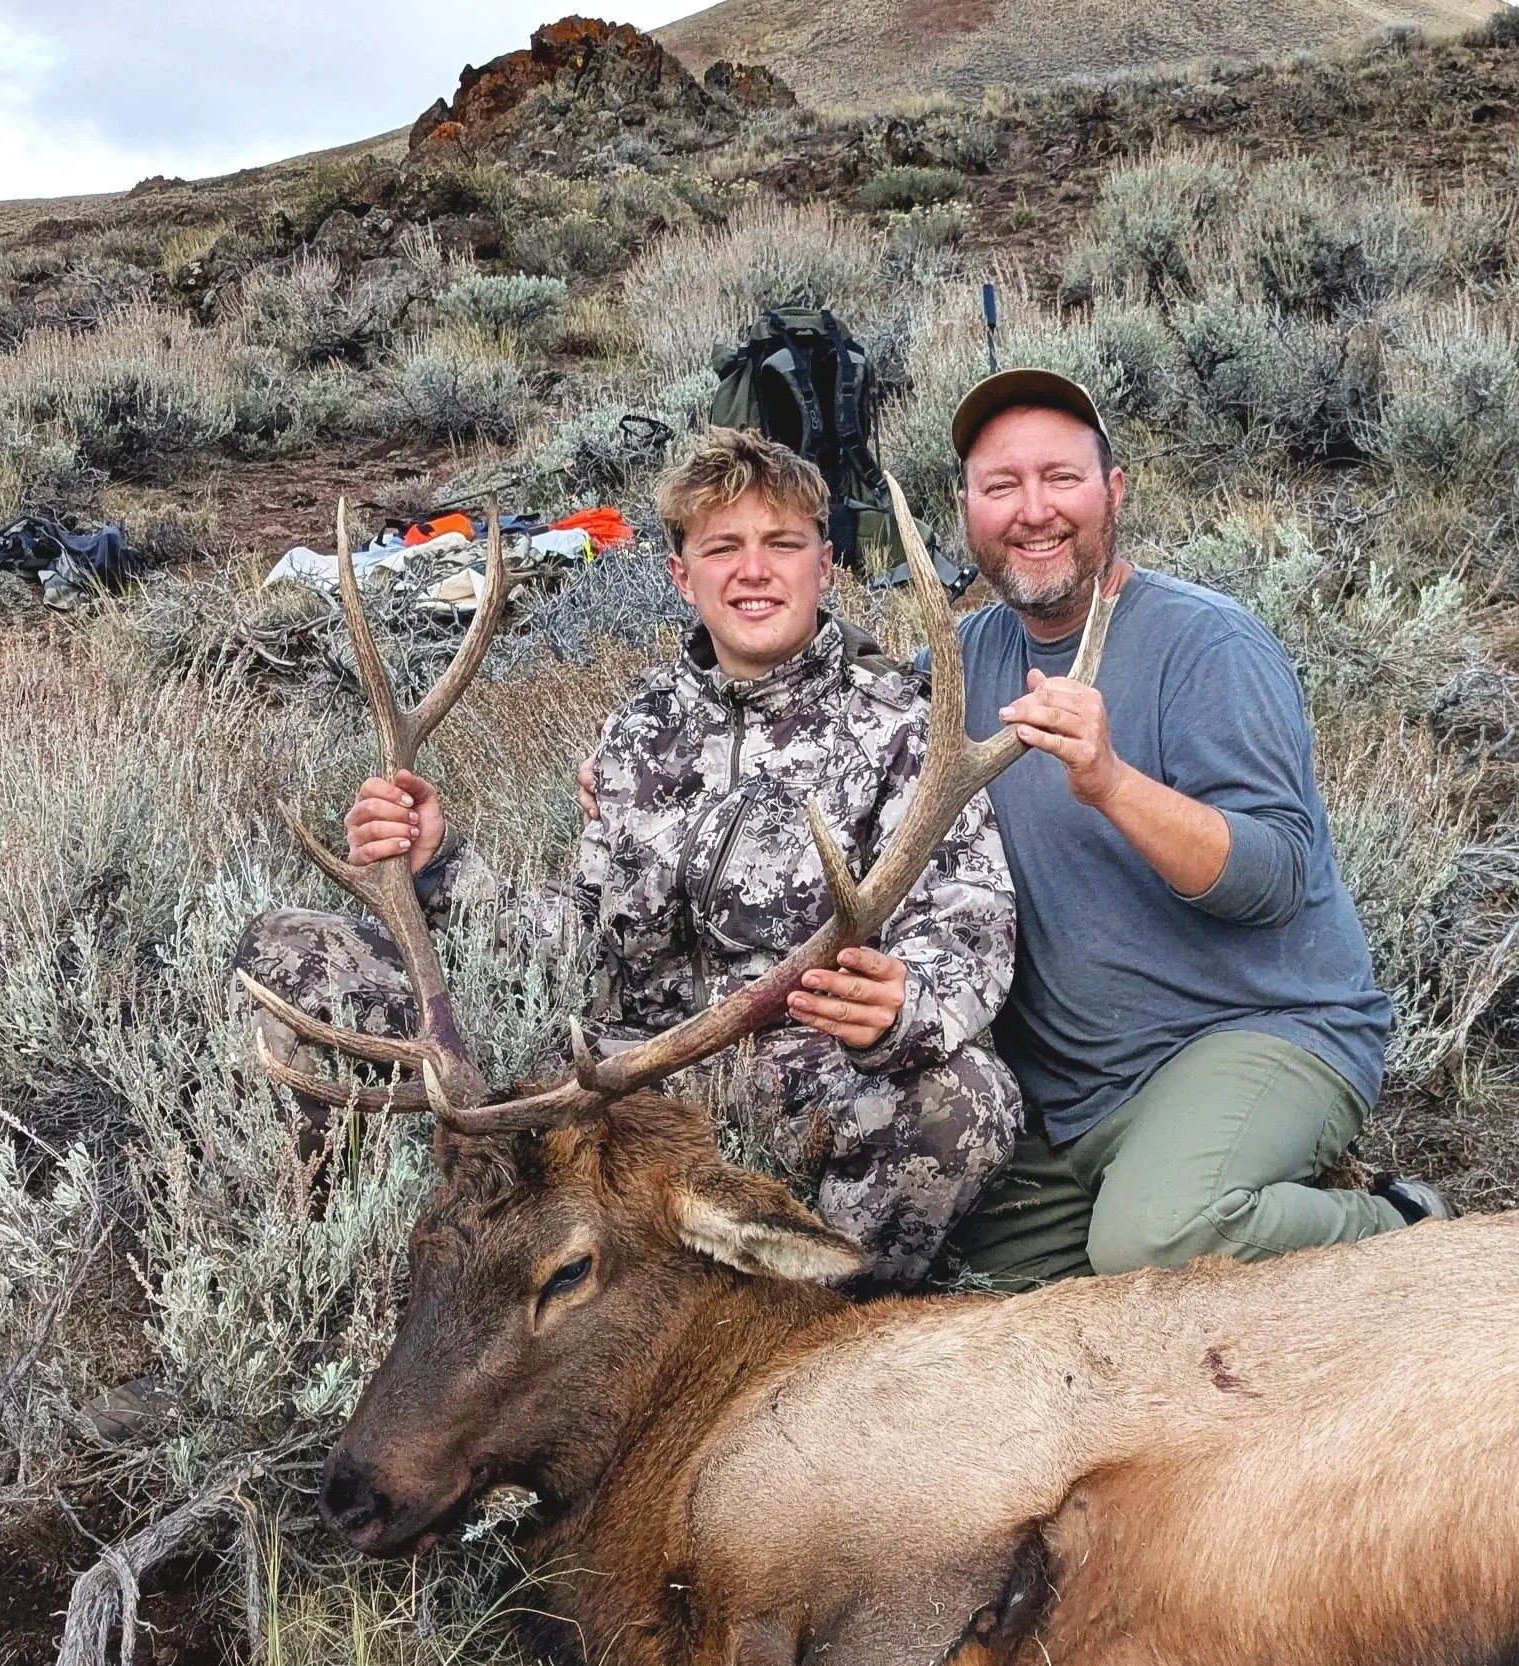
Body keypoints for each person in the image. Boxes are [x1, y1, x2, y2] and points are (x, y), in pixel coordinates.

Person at [235, 428, 1021, 1290]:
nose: (753, 571)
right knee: (292, 951)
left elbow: (970, 923)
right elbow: (586, 930)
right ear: (682, 576)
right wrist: (442, 866)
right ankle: (329, 1287)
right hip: (607, 1065)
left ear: (823, 564)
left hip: (783, 1076)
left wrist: (900, 1009)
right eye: (722, 548)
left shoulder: (902, 727)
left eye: (782, 544)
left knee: (962, 1103)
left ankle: (802, 1332)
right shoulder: (640, 727)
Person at [940, 369, 1449, 1289]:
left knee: (1154, 1244)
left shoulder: (1209, 645)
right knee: (950, 1276)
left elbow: (1274, 875)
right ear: (966, 507)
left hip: (1259, 1032)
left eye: (1062, 478)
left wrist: (1110, 781)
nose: (1033, 511)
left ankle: (1401, 1223)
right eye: (1000, 485)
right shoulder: (964, 659)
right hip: (1080, 1099)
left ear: (1115, 492)